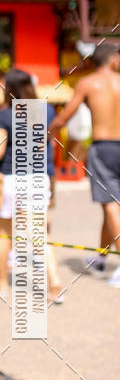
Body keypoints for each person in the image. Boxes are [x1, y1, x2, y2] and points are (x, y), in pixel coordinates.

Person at [0, 69, 62, 302]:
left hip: (10, 179)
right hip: (38, 178)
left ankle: (2, 282)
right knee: (41, 233)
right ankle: (54, 281)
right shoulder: (47, 110)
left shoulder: (4, 114)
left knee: (1, 233)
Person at [49, 41, 120, 288]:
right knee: (109, 208)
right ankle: (101, 260)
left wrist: (46, 135)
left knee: (111, 206)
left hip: (104, 148)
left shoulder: (88, 83)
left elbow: (64, 116)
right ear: (112, 59)